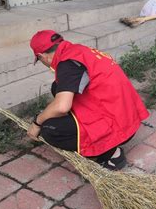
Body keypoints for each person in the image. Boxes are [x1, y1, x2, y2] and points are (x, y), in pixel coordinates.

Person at [27, 30, 149, 170]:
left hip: (119, 129)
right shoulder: (78, 50)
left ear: (42, 56)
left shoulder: (67, 64)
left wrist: (37, 122)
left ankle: (112, 153)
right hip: (128, 116)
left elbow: (61, 107)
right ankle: (79, 124)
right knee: (57, 86)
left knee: (49, 129)